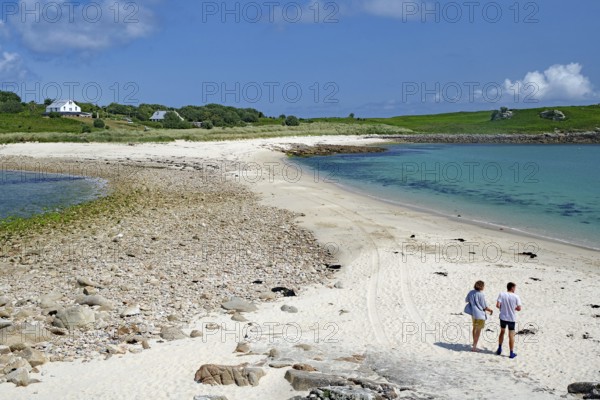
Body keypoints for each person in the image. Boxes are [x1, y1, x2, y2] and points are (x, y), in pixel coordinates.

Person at [465, 280, 493, 352]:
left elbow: (466, 300)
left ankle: (474, 343)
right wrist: (490, 310)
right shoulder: (481, 294)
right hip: (480, 314)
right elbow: (484, 306)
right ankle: (474, 347)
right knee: (478, 330)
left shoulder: (471, 292)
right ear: (481, 286)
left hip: (473, 313)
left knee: (474, 328)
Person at [496, 282, 522, 359]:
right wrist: (514, 308)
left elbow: (497, 305)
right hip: (511, 318)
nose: (515, 289)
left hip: (503, 317)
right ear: (512, 288)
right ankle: (511, 353)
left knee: (502, 332)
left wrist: (502, 308)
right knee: (511, 335)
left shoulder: (501, 294)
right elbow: (519, 308)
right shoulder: (516, 296)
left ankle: (499, 348)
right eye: (515, 288)